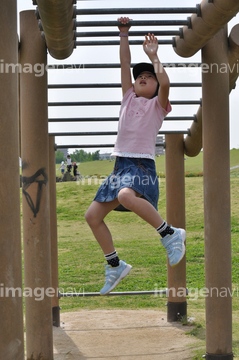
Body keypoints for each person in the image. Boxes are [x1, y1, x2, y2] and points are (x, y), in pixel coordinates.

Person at [85, 17, 186, 295]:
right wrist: (124, 35)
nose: (144, 77)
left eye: (149, 77)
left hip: (141, 165)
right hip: (120, 166)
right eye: (140, 76)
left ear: (155, 88)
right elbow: (124, 65)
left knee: (126, 197)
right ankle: (115, 264)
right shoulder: (128, 97)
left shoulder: (158, 106)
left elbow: (165, 81)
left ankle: (169, 233)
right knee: (92, 216)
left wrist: (154, 57)